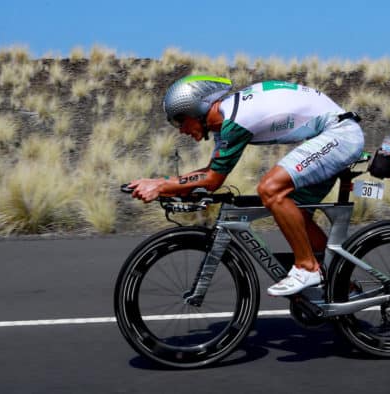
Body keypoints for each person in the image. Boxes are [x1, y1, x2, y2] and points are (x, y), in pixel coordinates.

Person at [128, 75, 364, 296]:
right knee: (294, 209)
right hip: (330, 134)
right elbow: (211, 175)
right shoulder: (225, 121)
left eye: (180, 120)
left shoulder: (233, 120)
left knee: (270, 189)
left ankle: (308, 268)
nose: (180, 129)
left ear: (196, 108)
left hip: (340, 135)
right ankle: (343, 287)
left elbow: (212, 180)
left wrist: (161, 185)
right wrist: (165, 184)